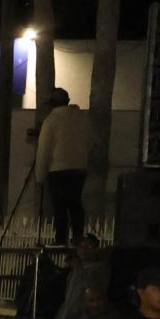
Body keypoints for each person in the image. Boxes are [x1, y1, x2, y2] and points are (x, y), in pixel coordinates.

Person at [34, 89, 91, 246]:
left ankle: (61, 238)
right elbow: (90, 142)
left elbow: (44, 149)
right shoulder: (82, 119)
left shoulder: (51, 121)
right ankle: (78, 236)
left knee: (60, 205)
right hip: (79, 168)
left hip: (58, 168)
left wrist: (40, 175)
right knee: (75, 203)